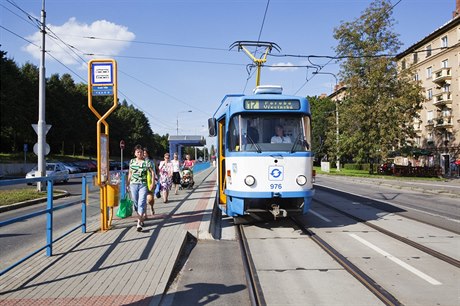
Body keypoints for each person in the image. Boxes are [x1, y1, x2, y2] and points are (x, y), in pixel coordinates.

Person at [127, 145, 155, 232]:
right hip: (133, 184)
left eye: (141, 152)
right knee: (135, 202)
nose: (139, 153)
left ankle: (139, 223)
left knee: (142, 202)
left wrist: (152, 183)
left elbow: (152, 172)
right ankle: (140, 217)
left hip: (143, 184)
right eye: (138, 152)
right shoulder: (132, 161)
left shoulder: (147, 162)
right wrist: (127, 184)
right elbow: (130, 173)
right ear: (135, 153)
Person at [143, 148, 157, 216]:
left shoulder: (151, 162)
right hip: (142, 182)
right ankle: (144, 214)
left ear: (147, 154)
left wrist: (153, 182)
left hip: (150, 181)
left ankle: (151, 207)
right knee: (142, 199)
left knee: (150, 199)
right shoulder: (139, 161)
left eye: (145, 153)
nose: (143, 155)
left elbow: (154, 172)